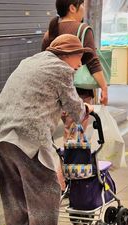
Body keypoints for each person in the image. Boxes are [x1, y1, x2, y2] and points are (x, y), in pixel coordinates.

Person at [0, 34, 94, 225]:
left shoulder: (31, 61)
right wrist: (87, 108)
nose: (80, 64)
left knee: (13, 193)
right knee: (46, 191)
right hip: (27, 137)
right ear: (66, 55)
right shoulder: (61, 69)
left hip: (1, 132)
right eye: (79, 58)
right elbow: (75, 109)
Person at [42, 0, 108, 138]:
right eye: (82, 4)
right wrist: (104, 88)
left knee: (69, 133)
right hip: (78, 92)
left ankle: (68, 159)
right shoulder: (83, 29)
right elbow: (92, 61)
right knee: (75, 136)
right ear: (72, 8)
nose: (83, 8)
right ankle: (74, 160)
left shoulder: (49, 32)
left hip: (55, 92)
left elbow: (44, 64)